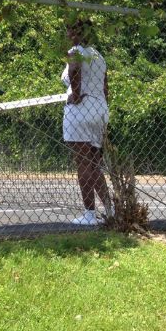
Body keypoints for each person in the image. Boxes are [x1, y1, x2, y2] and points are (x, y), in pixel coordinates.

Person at [62, 19, 113, 226]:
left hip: (80, 110)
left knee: (82, 162)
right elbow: (105, 87)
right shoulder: (98, 55)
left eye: (70, 30)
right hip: (99, 109)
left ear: (76, 33)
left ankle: (89, 214)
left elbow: (74, 70)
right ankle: (110, 210)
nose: (68, 34)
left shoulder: (75, 51)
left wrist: (75, 93)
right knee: (95, 164)